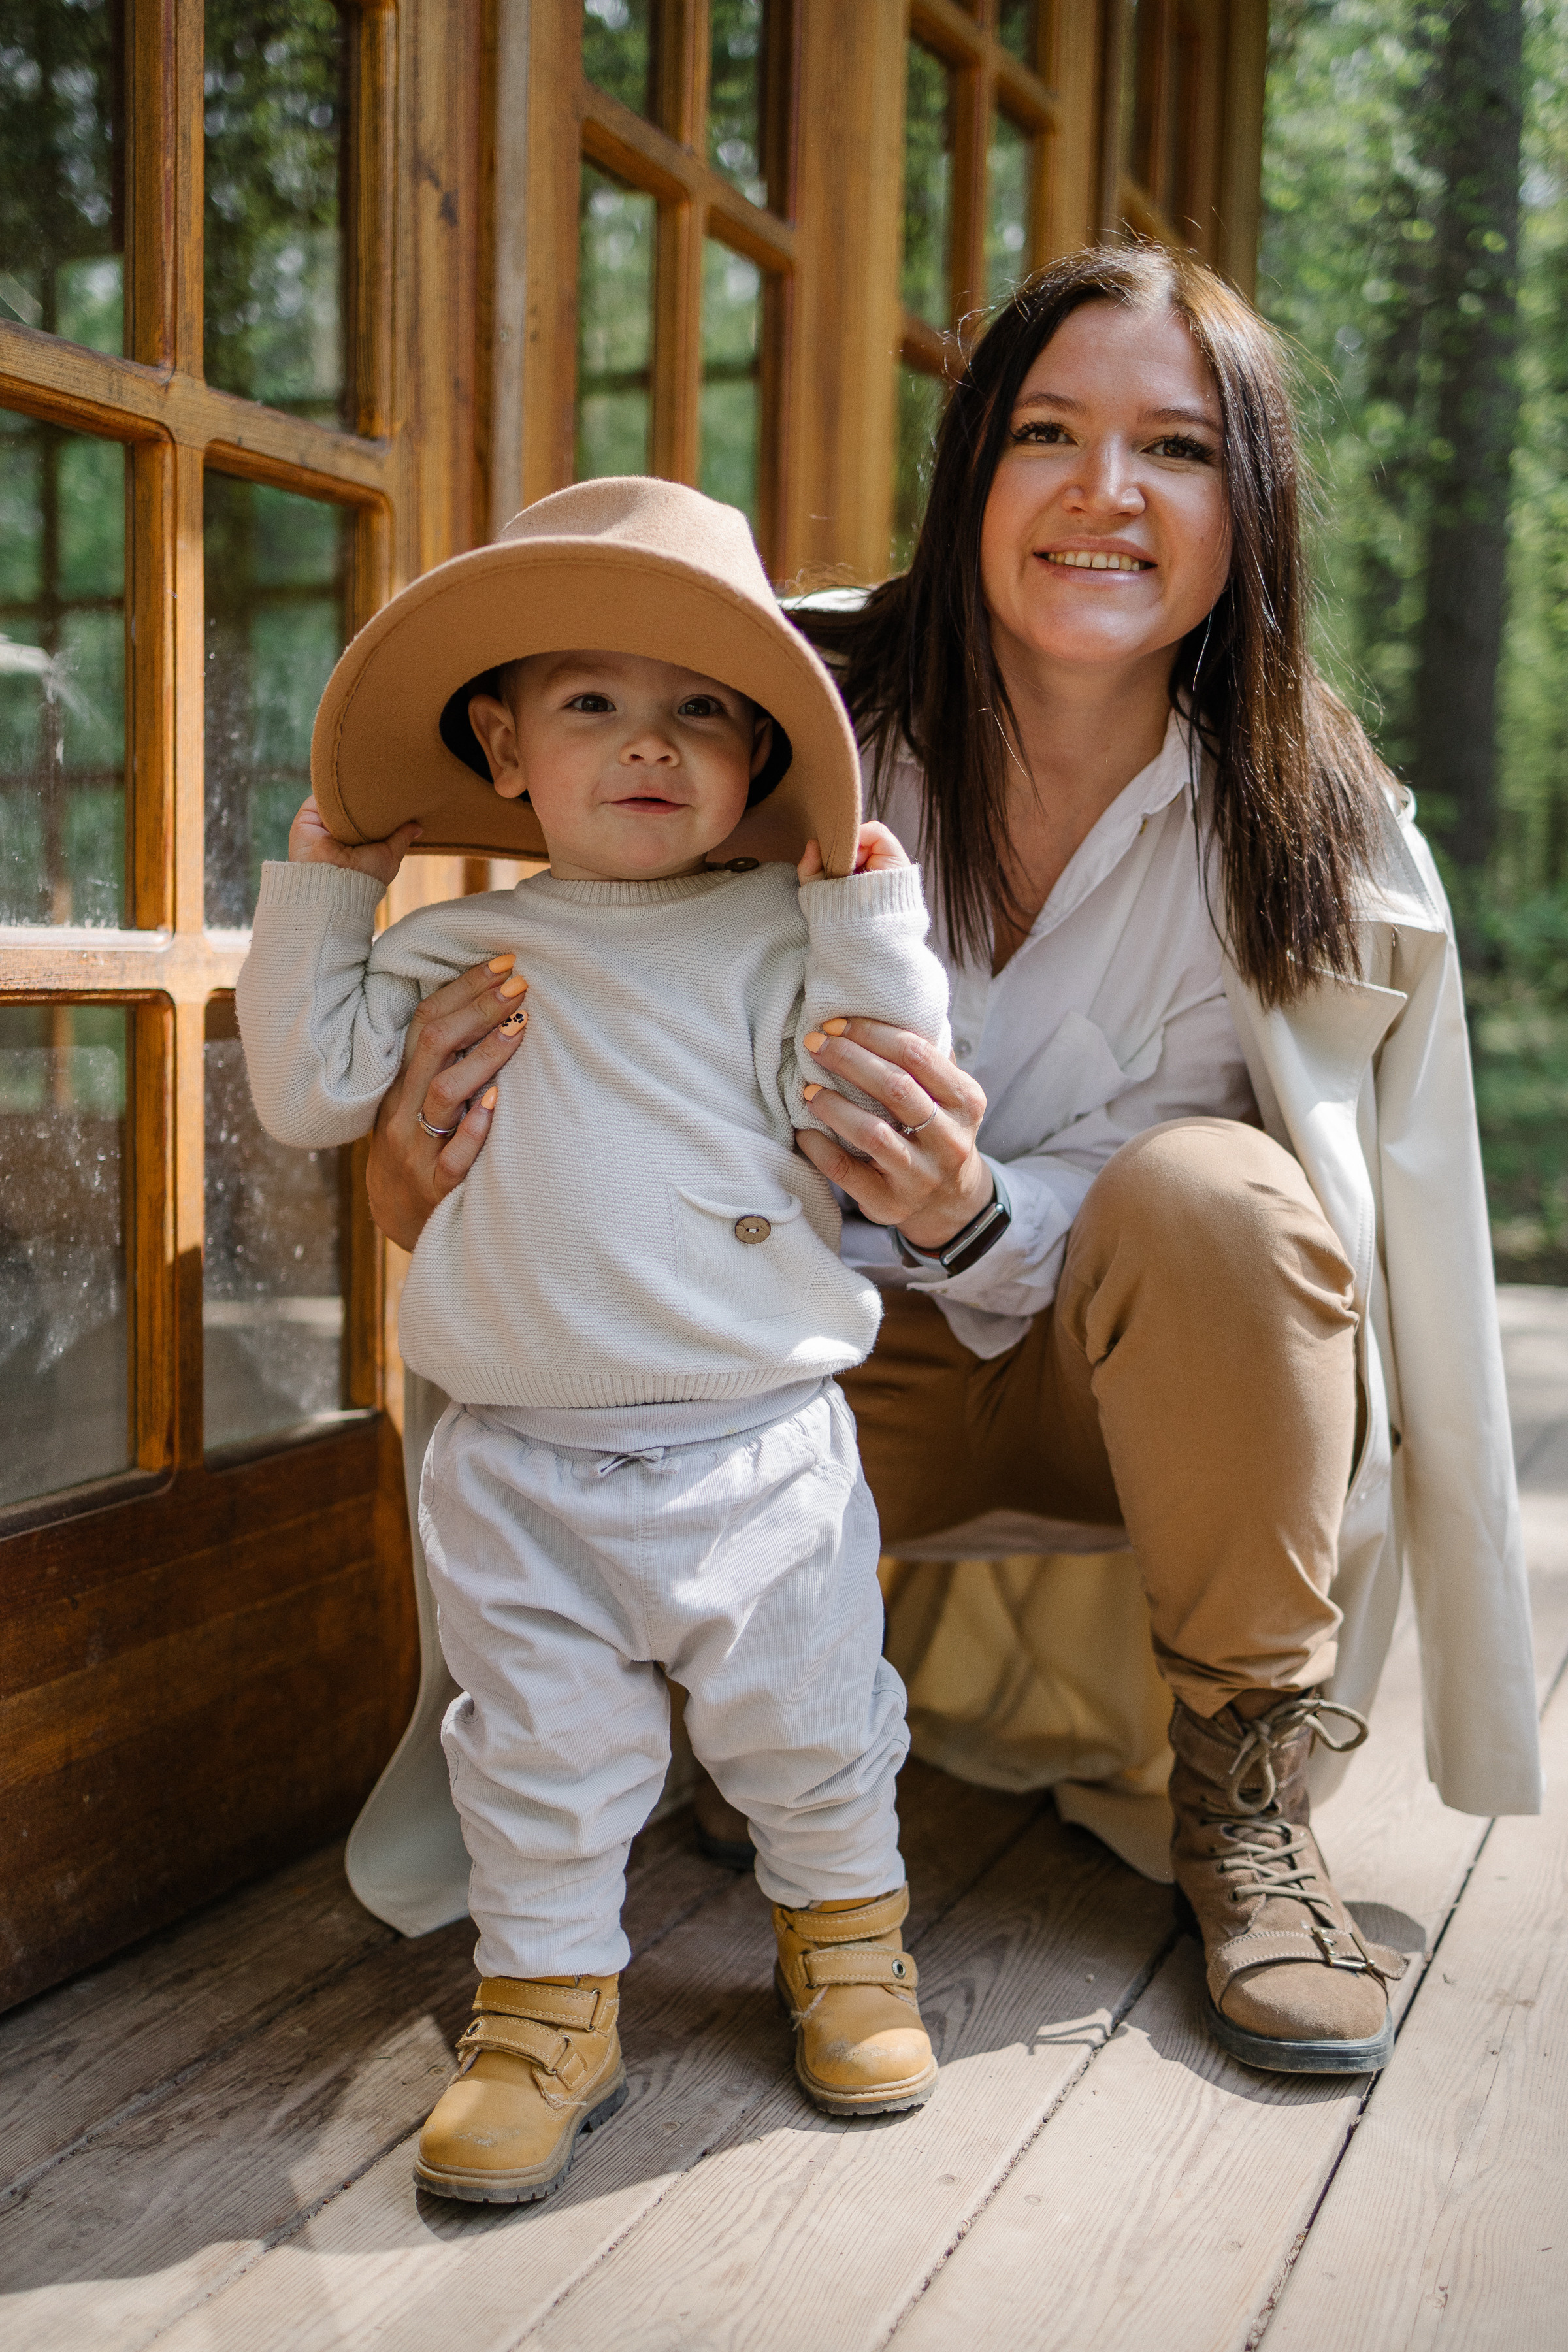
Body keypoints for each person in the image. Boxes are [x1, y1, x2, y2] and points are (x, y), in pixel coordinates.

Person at [361, 248, 1541, 2082]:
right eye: (1048, 433)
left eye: (1176, 448)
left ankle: (1247, 1802)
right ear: (972, 466)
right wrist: (413, 1165)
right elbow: (564, 990)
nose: (1104, 493)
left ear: (1252, 510)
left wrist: (977, 1211)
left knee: (1221, 1196)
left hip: (1119, 1385)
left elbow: (1382, 1239)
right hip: (792, 1376)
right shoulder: (777, 714)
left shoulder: (1314, 815)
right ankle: (749, 1735)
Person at [236, 477, 955, 2206]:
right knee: (539, 1746)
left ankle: (849, 1949)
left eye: (702, 709)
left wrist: (865, 909)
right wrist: (331, 887)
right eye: (594, 706)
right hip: (519, 1456)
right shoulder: (455, 946)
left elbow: (885, 1072)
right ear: (502, 748)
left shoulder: (780, 937)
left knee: (809, 1721)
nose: (649, 745)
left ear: (760, 758)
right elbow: (310, 1088)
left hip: (758, 1439)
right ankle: (546, 2014)